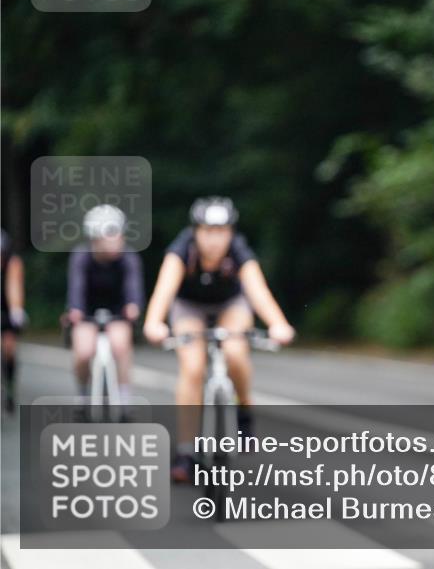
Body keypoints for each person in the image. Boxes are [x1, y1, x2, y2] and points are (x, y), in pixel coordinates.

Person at [143, 197, 295, 482]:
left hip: (230, 305)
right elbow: (164, 290)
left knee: (236, 352)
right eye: (207, 231)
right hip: (190, 307)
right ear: (196, 231)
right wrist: (154, 322)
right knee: (192, 367)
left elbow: (257, 291)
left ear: (231, 232)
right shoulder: (181, 250)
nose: (214, 239)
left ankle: (244, 412)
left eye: (222, 231)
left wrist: (278, 324)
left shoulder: (238, 250)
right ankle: (187, 452)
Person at [66, 205, 144, 406]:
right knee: (83, 352)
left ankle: (124, 395)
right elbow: (76, 287)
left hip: (118, 311)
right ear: (95, 239)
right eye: (111, 235)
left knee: (121, 346)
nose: (118, 239)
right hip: (87, 312)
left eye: (119, 233)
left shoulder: (129, 257)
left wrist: (133, 305)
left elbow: (133, 287)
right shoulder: (81, 257)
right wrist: (75, 310)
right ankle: (83, 393)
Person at [1, 228, 25, 413]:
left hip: (6, 308)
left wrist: (16, 311)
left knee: (9, 347)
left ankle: (9, 385)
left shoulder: (13, 263)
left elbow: (14, 287)